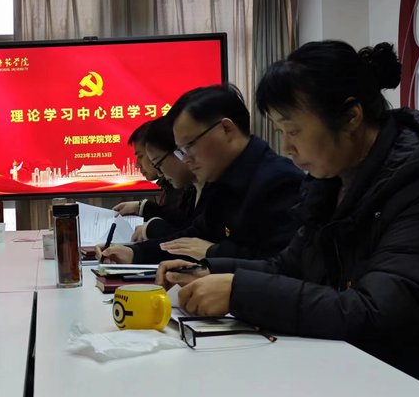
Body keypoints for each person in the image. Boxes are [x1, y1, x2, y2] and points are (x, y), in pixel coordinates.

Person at [158, 41, 419, 397]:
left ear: (351, 117)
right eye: (281, 132)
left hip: (418, 388)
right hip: (350, 371)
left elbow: (377, 312)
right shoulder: (332, 181)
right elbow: (291, 265)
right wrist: (209, 271)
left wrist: (240, 293)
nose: (287, 148)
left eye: (294, 131)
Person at [102, 84, 304, 264]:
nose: (186, 158)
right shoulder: (220, 180)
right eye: (180, 150)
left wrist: (213, 252)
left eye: (189, 145)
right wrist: (134, 253)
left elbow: (283, 266)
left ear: (226, 129)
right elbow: (193, 238)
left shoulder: (279, 181)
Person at [113, 120, 186, 236]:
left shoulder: (185, 185)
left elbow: (184, 232)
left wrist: (148, 230)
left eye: (140, 156)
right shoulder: (172, 184)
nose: (137, 165)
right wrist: (141, 207)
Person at [136, 115, 203, 240]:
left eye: (158, 163)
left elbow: (191, 238)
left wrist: (151, 229)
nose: (160, 173)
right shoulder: (193, 188)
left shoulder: (219, 188)